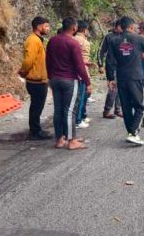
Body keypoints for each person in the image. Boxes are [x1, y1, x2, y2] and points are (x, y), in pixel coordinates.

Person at [106, 17, 144, 146]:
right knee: (141, 106)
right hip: (136, 78)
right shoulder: (139, 39)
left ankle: (131, 132)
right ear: (131, 27)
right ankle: (133, 133)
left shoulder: (114, 41)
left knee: (126, 107)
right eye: (134, 27)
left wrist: (110, 78)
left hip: (121, 77)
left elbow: (109, 61)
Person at [46, 17, 92, 150]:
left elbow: (47, 60)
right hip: (69, 80)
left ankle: (60, 139)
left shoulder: (52, 40)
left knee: (58, 110)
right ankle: (72, 141)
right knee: (70, 110)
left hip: (54, 79)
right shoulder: (73, 43)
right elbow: (79, 65)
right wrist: (87, 82)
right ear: (74, 27)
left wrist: (50, 76)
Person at [18, 16, 52, 140]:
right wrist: (24, 70)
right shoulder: (33, 40)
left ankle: (36, 129)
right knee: (36, 106)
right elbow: (29, 59)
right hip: (35, 80)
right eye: (46, 26)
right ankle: (35, 132)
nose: (48, 28)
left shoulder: (38, 40)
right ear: (38, 27)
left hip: (40, 79)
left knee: (37, 106)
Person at [97, 20, 123, 119]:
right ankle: (107, 111)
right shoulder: (109, 36)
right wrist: (100, 65)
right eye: (121, 26)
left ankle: (118, 110)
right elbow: (101, 51)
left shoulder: (123, 36)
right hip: (111, 67)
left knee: (120, 89)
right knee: (113, 89)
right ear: (117, 26)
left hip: (122, 66)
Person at [74, 20, 94, 129]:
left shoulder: (71, 39)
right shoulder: (84, 42)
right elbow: (83, 60)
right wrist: (88, 79)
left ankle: (79, 118)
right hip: (82, 73)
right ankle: (78, 119)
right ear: (85, 30)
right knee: (81, 97)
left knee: (77, 98)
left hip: (71, 73)